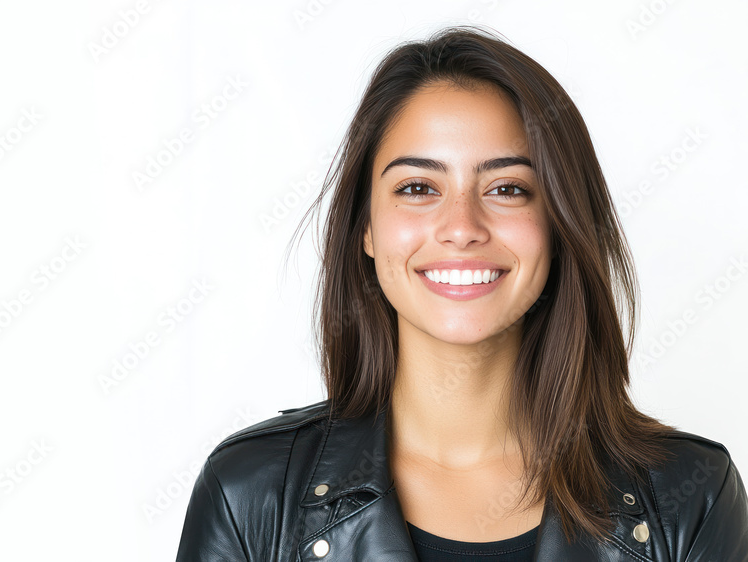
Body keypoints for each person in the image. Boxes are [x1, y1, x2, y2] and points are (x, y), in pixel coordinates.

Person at [175, 25, 748, 561]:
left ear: (559, 224)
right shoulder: (247, 493)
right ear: (366, 230)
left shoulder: (689, 495)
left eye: (507, 188)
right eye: (418, 187)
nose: (462, 225)